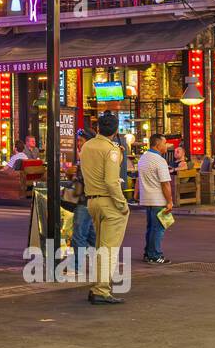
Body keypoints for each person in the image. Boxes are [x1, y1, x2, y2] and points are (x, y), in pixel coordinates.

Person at [80, 112, 130, 304]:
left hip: (92, 200)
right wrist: (122, 204)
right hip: (109, 202)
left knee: (101, 248)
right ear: (116, 130)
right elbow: (111, 181)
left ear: (98, 128)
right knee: (109, 250)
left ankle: (97, 287)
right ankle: (101, 290)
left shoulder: (87, 146)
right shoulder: (112, 150)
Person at [136, 133, 173, 264]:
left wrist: (136, 195)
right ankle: (155, 255)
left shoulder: (143, 158)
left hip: (147, 198)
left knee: (151, 227)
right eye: (164, 143)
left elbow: (138, 179)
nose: (166, 145)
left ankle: (148, 252)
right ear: (158, 145)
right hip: (158, 200)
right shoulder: (160, 160)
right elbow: (165, 183)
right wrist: (169, 201)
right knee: (158, 229)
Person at [69, 129, 96, 265]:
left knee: (79, 235)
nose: (78, 143)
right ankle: (105, 261)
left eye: (81, 140)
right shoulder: (84, 156)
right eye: (77, 140)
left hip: (85, 199)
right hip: (87, 199)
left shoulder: (88, 157)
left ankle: (76, 266)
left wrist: (76, 177)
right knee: (92, 235)